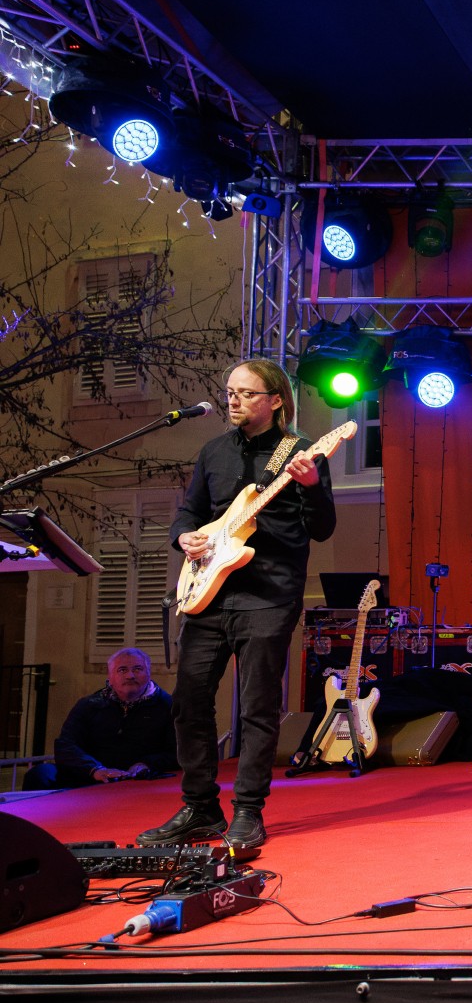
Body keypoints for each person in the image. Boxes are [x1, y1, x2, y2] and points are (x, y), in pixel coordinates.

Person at [137, 359, 336, 851]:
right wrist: (183, 536)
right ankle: (201, 806)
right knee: (188, 701)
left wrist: (311, 488)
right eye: (230, 392)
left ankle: (248, 810)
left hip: (268, 594)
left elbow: (322, 529)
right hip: (209, 592)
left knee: (257, 706)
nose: (234, 400)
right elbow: (190, 511)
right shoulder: (214, 452)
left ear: (276, 400)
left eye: (247, 393)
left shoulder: (302, 452)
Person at [24, 648, 176, 789]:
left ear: (149, 673)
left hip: (140, 779)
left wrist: (147, 764)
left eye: (138, 669)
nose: (130, 675)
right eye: (122, 670)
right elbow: (66, 745)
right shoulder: (90, 704)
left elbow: (178, 751)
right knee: (40, 774)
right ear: (110, 677)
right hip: (91, 775)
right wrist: (95, 769)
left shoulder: (168, 706)